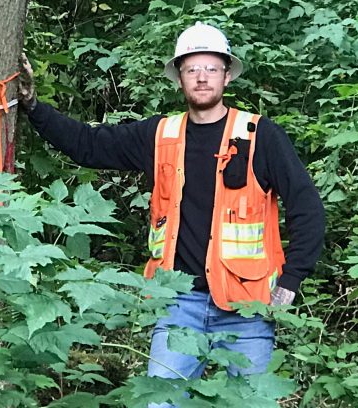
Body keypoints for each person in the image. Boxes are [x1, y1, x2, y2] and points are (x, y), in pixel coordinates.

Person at [17, 22, 325, 391]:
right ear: (179, 78)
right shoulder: (162, 135)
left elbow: (307, 208)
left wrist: (291, 281)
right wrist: (34, 106)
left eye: (211, 68)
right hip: (179, 303)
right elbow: (88, 145)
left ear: (227, 77)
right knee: (160, 402)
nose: (201, 77)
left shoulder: (259, 136)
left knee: (250, 402)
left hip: (248, 306)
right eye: (192, 69)